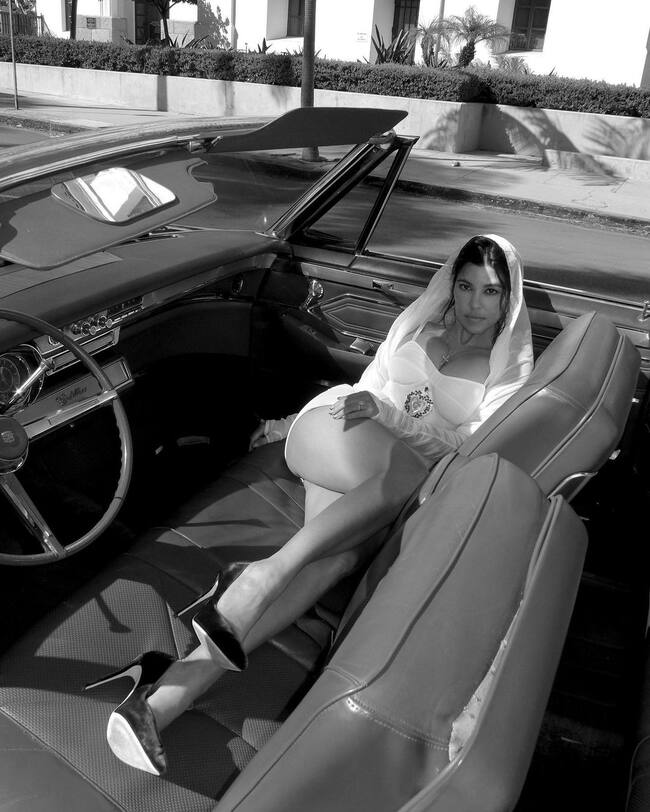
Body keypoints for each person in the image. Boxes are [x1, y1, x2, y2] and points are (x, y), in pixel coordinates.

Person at [85, 234, 534, 776]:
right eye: (465, 286)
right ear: (452, 285)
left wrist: (392, 419)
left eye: (490, 291)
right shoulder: (418, 326)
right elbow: (365, 388)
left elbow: (466, 450)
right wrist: (291, 424)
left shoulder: (504, 370)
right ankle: (260, 576)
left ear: (508, 299)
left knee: (336, 561)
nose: (474, 303)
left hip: (381, 484)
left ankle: (164, 698)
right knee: (400, 478)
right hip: (338, 435)